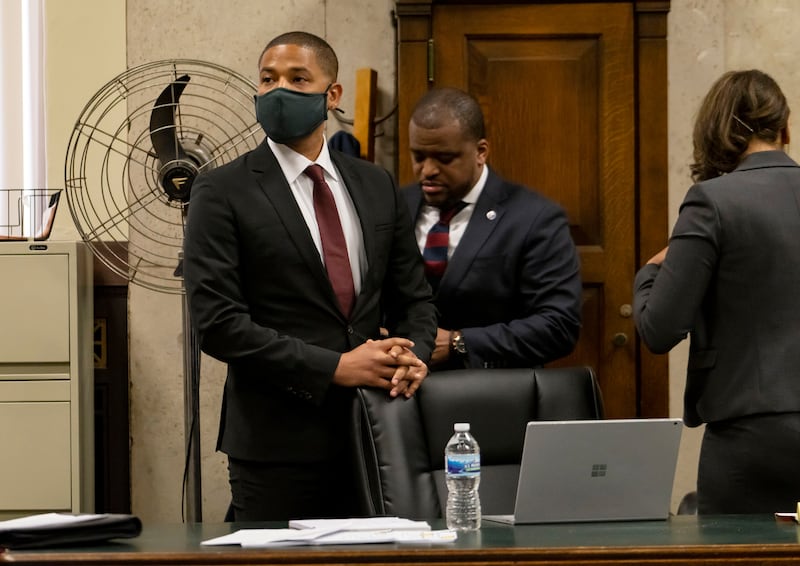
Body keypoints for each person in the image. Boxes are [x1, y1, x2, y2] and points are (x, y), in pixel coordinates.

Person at [182, 31, 437, 521]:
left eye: (298, 79)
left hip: (379, 431)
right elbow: (218, 324)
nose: (279, 90)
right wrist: (334, 367)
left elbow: (415, 298)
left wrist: (415, 356)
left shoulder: (375, 183)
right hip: (277, 443)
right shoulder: (221, 191)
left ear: (332, 94)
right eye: (268, 79)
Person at [633, 69, 800, 514]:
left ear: (715, 133)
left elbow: (659, 329)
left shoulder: (711, 201)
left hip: (749, 437)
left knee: (736, 549)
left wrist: (649, 271)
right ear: (785, 128)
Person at [401, 87, 581, 370]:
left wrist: (459, 343)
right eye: (418, 156)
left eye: (444, 158)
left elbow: (559, 325)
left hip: (493, 388)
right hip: (398, 388)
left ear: (480, 152)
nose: (427, 170)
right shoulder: (396, 205)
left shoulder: (535, 218)